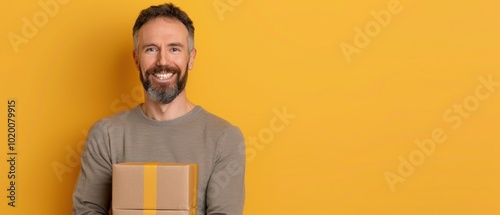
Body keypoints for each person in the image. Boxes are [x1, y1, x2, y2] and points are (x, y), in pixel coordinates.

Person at [72, 3, 245, 215]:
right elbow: (86, 210)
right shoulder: (106, 135)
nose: (162, 61)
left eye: (174, 49)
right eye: (151, 49)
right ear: (136, 59)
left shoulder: (224, 138)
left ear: (191, 58)